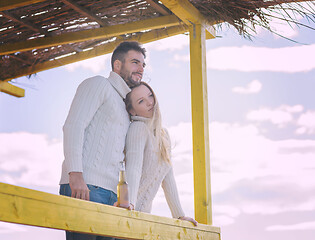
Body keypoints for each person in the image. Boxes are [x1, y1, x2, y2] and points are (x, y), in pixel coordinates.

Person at [59, 41, 146, 240]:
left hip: (112, 196)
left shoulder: (126, 108)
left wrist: (124, 198)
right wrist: (76, 175)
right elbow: (74, 125)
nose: (140, 69)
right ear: (117, 65)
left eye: (143, 65)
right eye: (134, 62)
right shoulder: (98, 84)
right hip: (85, 186)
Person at [124, 82, 198, 226]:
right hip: (129, 214)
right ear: (132, 111)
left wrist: (179, 215)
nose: (150, 102)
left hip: (144, 217)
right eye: (141, 101)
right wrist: (130, 205)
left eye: (150, 95)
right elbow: (133, 169)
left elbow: (168, 177)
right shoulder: (138, 128)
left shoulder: (163, 134)